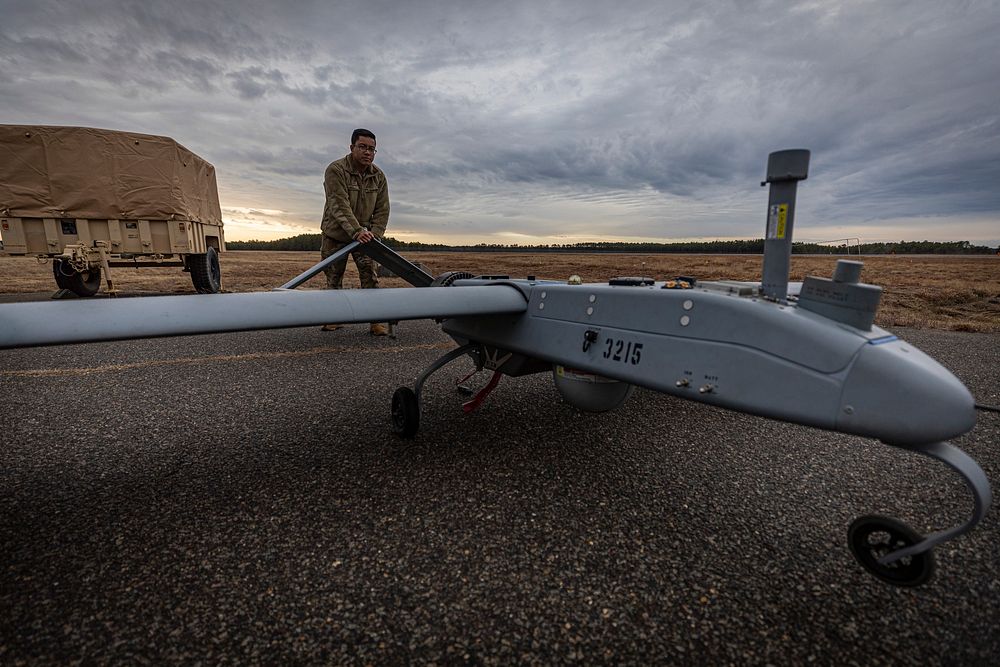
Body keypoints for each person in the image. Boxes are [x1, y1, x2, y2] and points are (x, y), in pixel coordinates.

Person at [319, 128, 390, 335]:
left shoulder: (378, 176)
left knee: (370, 277)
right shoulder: (336, 170)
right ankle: (334, 318)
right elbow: (338, 204)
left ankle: (375, 321)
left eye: (372, 149)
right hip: (336, 234)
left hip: (366, 238)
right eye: (363, 147)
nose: (368, 152)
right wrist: (356, 231)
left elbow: (382, 209)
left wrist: (375, 236)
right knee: (333, 278)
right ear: (352, 148)